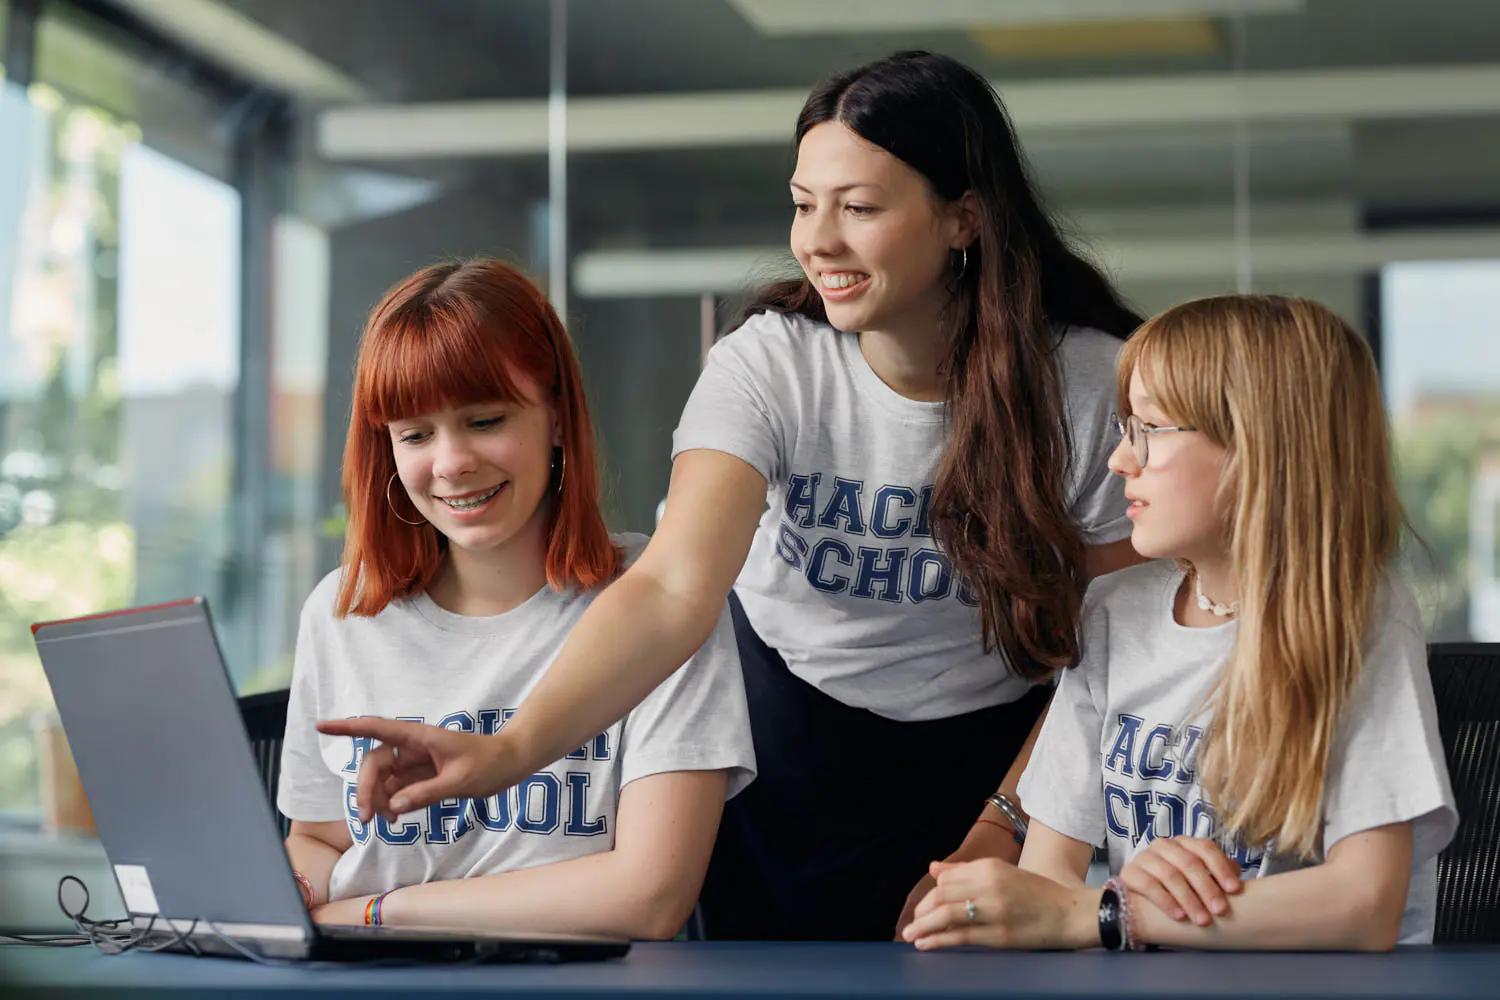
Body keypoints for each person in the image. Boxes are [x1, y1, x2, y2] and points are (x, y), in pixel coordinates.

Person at [319, 50, 1142, 941]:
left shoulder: (1088, 386)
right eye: (803, 204)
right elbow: (675, 587)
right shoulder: (769, 363)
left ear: (963, 219)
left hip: (990, 751)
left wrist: (1003, 826)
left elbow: (1107, 647)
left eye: (858, 208)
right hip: (781, 732)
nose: (817, 240)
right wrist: (511, 751)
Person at [902, 295, 1457, 951]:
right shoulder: (1112, 611)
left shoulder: (1359, 615)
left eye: (1152, 430)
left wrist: (1117, 912)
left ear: (1262, 448)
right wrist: (1093, 905)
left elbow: (1365, 906)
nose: (1120, 461)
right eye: (1124, 429)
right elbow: (1048, 884)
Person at [278, 258, 755, 938]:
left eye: (484, 420)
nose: (450, 462)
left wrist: (379, 914)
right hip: (366, 979)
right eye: (415, 434)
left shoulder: (661, 603)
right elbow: (322, 842)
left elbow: (649, 896)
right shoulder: (341, 612)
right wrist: (292, 891)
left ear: (557, 418)